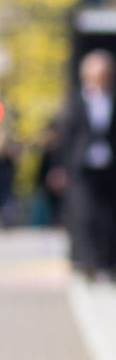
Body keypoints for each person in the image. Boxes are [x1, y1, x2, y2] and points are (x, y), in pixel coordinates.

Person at [54, 50, 116, 283]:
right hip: (82, 167)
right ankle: (85, 261)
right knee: (84, 215)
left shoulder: (111, 98)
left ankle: (107, 262)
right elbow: (65, 137)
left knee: (109, 216)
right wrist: (60, 167)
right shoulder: (75, 100)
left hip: (109, 168)